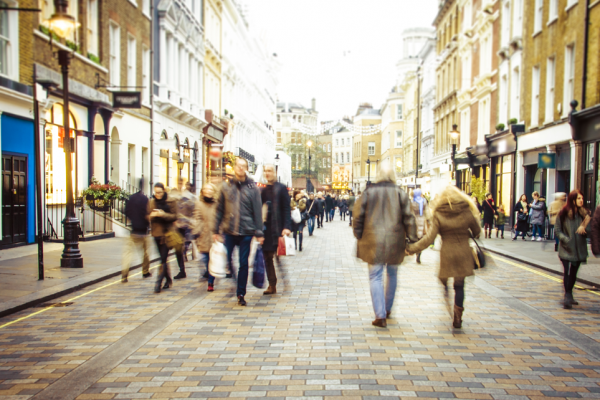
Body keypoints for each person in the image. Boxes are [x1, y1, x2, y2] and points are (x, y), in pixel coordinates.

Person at [407, 185, 482, 329]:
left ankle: (446, 290)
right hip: (464, 252)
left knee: (444, 277)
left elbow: (429, 239)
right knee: (460, 285)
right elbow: (477, 231)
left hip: (447, 252)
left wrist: (411, 249)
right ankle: (458, 315)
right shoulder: (466, 210)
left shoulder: (439, 213)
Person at [354, 166, 417, 328]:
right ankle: (387, 309)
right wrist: (412, 239)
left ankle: (380, 315)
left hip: (372, 240)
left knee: (375, 275)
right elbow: (409, 218)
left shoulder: (368, 192)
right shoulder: (400, 193)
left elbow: (358, 215)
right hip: (395, 240)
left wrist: (359, 233)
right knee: (392, 273)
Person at [213, 157, 264, 306]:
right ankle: (235, 282)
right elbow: (219, 209)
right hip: (229, 230)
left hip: (246, 232)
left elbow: (257, 211)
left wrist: (259, 232)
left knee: (243, 263)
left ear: (246, 168)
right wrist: (215, 229)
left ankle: (241, 293)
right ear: (234, 168)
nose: (240, 168)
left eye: (243, 166)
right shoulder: (226, 187)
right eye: (238, 166)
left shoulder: (252, 188)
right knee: (227, 260)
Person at [555, 190, 591, 309]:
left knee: (574, 273)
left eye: (582, 198)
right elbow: (557, 230)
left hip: (579, 249)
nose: (581, 200)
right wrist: (566, 240)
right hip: (566, 248)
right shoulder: (563, 213)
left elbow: (590, 231)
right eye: (579, 198)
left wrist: (585, 228)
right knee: (567, 271)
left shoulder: (584, 214)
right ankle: (567, 295)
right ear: (573, 200)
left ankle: (569, 294)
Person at [261, 164, 292, 295]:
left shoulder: (281, 188)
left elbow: (286, 209)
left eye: (269, 170)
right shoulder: (262, 190)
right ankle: (272, 285)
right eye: (265, 171)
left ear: (275, 172)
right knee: (267, 258)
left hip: (278, 228)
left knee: (279, 257)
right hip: (266, 230)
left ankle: (285, 281)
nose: (267, 173)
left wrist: (286, 227)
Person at [148, 183, 178, 293]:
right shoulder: (152, 201)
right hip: (156, 234)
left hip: (167, 235)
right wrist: (151, 216)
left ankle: (158, 283)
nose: (158, 195)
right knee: (163, 258)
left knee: (163, 259)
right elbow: (147, 216)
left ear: (164, 191)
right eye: (156, 193)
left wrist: (163, 214)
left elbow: (175, 216)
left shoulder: (171, 201)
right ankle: (168, 279)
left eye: (160, 192)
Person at [122, 178, 151, 283]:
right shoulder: (145, 199)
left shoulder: (131, 198)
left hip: (133, 230)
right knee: (145, 253)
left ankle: (125, 273)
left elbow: (126, 211)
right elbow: (148, 213)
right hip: (143, 231)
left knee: (128, 253)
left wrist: (133, 219)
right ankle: (145, 271)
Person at [193, 183, 218, 292]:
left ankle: (210, 282)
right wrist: (196, 231)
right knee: (205, 259)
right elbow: (197, 218)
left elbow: (220, 219)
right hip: (203, 235)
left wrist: (220, 232)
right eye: (206, 190)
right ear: (202, 192)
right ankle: (208, 274)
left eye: (210, 190)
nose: (208, 192)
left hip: (214, 236)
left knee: (212, 260)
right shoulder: (199, 204)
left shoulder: (217, 204)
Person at [172, 178, 196, 278]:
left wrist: (191, 221)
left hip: (186, 226)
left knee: (186, 245)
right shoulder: (174, 193)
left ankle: (206, 270)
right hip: (177, 226)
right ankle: (182, 270)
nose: (180, 184)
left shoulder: (189, 196)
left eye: (181, 183)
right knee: (178, 249)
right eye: (179, 183)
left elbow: (194, 209)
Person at [410, 189, 429, 263]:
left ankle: (416, 253)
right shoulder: (423, 201)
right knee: (421, 239)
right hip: (422, 221)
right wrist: (429, 219)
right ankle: (419, 253)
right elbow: (427, 212)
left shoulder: (412, 202)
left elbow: (410, 212)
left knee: (416, 239)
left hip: (414, 222)